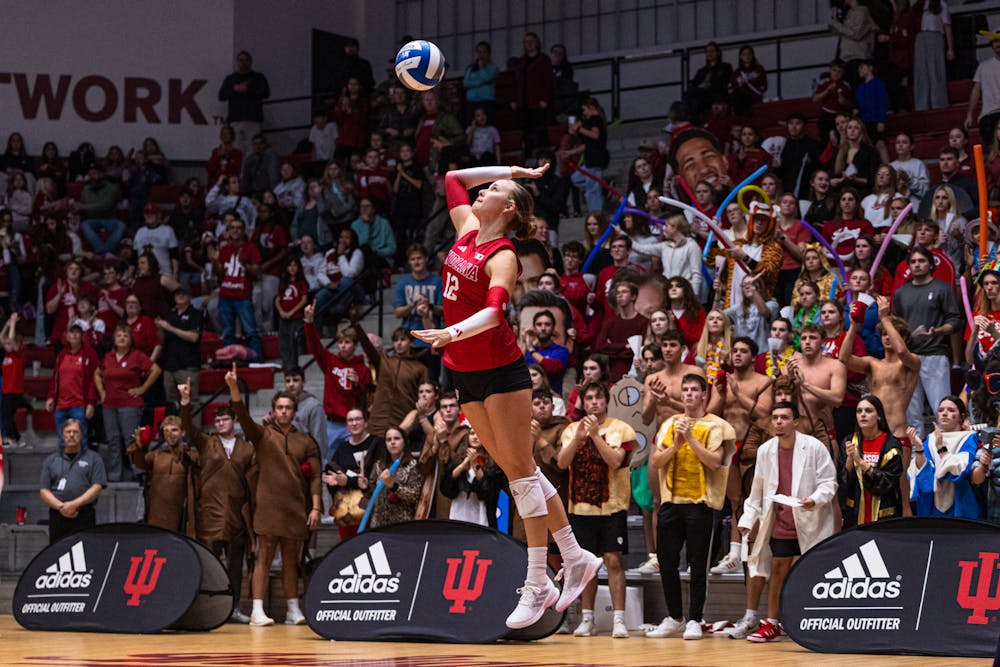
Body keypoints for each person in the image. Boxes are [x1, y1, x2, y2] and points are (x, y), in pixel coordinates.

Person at [411, 163, 600, 629]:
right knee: (524, 473)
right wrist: (515, 170)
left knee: (520, 477)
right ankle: (574, 557)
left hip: (500, 372)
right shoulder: (468, 227)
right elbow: (454, 177)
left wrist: (450, 332)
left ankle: (539, 581)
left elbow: (495, 315)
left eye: (494, 189)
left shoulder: (504, 254)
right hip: (464, 372)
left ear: (509, 208)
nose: (481, 191)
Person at [225, 365, 320, 627]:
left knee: (291, 559)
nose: (284, 412)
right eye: (279, 408)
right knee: (264, 557)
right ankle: (257, 610)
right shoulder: (263, 435)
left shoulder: (307, 441)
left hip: (296, 508)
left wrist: (315, 508)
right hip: (267, 506)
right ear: (273, 410)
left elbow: (315, 476)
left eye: (288, 408)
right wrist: (234, 389)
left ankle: (292, 609)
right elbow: (243, 417)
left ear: (295, 411)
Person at [736, 401, 838, 643]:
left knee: (815, 573)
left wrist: (814, 499)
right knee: (778, 569)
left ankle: (816, 621)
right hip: (781, 520)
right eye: (775, 417)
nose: (779, 421)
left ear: (796, 422)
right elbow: (757, 491)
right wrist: (747, 519)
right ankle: (771, 622)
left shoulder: (814, 447)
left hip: (811, 520)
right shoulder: (765, 450)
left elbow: (829, 483)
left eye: (784, 417)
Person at [646, 374, 735, 640]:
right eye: (685, 390)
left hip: (702, 505)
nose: (688, 394)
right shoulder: (669, 424)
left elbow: (715, 463)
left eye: (694, 390)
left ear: (704, 395)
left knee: (698, 565)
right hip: (672, 503)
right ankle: (675, 617)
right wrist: (676, 443)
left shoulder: (716, 426)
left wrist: (691, 440)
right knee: (667, 562)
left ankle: (695, 618)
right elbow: (658, 461)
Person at [556, 382, 636, 639]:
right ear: (583, 402)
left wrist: (593, 436)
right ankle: (587, 618)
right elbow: (561, 462)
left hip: (613, 506)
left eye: (597, 398)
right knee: (586, 566)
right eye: (588, 398)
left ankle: (619, 620)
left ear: (606, 401)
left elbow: (615, 461)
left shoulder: (621, 430)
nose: (593, 402)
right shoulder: (570, 430)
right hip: (579, 507)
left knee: (613, 561)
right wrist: (579, 436)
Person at [178, 378, 255, 623]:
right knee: (209, 564)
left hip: (237, 514)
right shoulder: (206, 443)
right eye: (217, 420)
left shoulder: (247, 448)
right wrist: (185, 402)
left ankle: (233, 609)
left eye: (225, 419)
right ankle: (208, 609)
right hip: (209, 512)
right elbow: (188, 427)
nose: (221, 423)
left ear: (234, 422)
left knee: (235, 564)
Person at [709, 337, 773, 576]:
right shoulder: (724, 381)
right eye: (734, 350)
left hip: (754, 445)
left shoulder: (764, 382)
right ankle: (735, 554)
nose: (737, 355)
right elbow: (711, 413)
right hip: (728, 444)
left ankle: (753, 549)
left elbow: (764, 413)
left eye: (743, 351)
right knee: (736, 501)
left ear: (753, 356)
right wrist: (721, 394)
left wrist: (738, 393)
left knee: (753, 501)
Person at [892, 247, 962, 439]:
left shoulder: (942, 288)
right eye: (913, 262)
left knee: (943, 409)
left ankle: (947, 451)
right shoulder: (901, 292)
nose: (917, 265)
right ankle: (916, 457)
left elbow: (955, 320)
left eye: (921, 261)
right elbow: (895, 325)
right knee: (911, 413)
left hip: (935, 353)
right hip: (908, 357)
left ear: (931, 264)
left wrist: (937, 331)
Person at [94, 324, 161, 482]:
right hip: (109, 404)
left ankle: (138, 471)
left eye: (125, 335)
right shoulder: (108, 357)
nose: (122, 338)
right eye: (119, 335)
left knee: (131, 439)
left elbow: (156, 370)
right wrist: (102, 392)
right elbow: (97, 373)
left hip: (130, 403)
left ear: (131, 339)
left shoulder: (137, 355)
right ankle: (116, 474)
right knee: (113, 439)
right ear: (114, 340)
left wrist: (142, 388)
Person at [304, 305, 372, 457]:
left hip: (354, 423)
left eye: (347, 342)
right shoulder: (330, 361)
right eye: (340, 342)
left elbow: (368, 401)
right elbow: (315, 346)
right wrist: (309, 322)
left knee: (355, 461)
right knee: (329, 462)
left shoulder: (363, 370)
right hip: (332, 423)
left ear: (355, 345)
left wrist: (357, 385)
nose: (343, 346)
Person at [907, 395, 982, 518]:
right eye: (941, 410)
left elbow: (960, 471)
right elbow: (924, 479)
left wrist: (942, 448)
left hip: (960, 505)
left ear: (962, 416)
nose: (944, 413)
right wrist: (919, 449)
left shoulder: (969, 438)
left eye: (951, 410)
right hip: (932, 507)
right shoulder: (930, 439)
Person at [39, 419, 106, 544]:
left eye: (75, 432)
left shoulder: (94, 458)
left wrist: (74, 504)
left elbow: (97, 486)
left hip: (83, 515)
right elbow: (44, 490)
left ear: (81, 435)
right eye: (68, 432)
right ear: (62, 435)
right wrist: (62, 507)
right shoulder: (51, 460)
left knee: (85, 554)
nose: (71, 435)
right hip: (58, 515)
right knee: (57, 555)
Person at [841, 394, 904, 525]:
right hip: (855, 514)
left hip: (884, 514)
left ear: (879, 415)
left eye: (868, 411)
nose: (863, 415)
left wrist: (862, 463)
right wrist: (850, 459)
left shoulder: (892, 445)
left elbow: (888, 483)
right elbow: (843, 483)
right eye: (859, 411)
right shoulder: (849, 441)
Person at [127, 416, 196, 531]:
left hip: (181, 512)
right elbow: (140, 463)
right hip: (157, 511)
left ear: (182, 432)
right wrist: (139, 445)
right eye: (166, 430)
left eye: (174, 430)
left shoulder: (190, 455)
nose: (170, 434)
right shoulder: (156, 455)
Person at [323, 408, 383, 540]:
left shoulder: (377, 443)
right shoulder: (342, 448)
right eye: (350, 420)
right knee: (348, 549)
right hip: (348, 510)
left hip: (372, 508)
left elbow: (377, 476)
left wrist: (348, 481)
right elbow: (334, 474)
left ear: (366, 423)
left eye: (358, 419)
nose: (354, 423)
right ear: (346, 425)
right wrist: (334, 482)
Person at [210, 215, 263, 360]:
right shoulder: (225, 249)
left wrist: (244, 263)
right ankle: (230, 362)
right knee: (228, 332)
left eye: (238, 228)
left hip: (243, 296)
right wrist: (215, 262)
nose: (235, 231)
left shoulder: (250, 248)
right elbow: (220, 276)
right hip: (225, 295)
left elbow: (257, 273)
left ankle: (257, 361)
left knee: (250, 331)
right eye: (232, 228)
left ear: (243, 231)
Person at [788, 323, 846, 448]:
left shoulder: (835, 366)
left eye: (813, 338)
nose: (807, 342)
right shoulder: (792, 366)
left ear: (823, 343)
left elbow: (837, 399)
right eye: (804, 338)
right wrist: (788, 378)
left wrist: (806, 385)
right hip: (796, 432)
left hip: (823, 431)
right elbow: (784, 402)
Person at [393, 243, 444, 378]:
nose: (417, 262)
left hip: (432, 338)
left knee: (431, 379)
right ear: (409, 262)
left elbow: (443, 310)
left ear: (426, 259)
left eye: (419, 258)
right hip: (410, 339)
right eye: (413, 259)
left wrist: (430, 305)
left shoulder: (437, 281)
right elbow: (398, 312)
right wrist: (412, 305)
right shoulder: (404, 283)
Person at [46, 325, 99, 450]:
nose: (74, 335)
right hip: (61, 406)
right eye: (71, 333)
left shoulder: (90, 354)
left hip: (80, 405)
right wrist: (51, 397)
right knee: (62, 442)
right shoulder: (62, 354)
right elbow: (55, 378)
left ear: (82, 336)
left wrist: (91, 403)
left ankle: (83, 469)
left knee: (81, 441)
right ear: (67, 336)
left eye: (77, 333)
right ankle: (65, 469)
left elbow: (94, 380)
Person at [363, 425, 423, 528]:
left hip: (402, 525)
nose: (392, 442)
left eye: (397, 438)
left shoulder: (412, 465)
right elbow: (372, 494)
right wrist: (365, 487)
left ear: (404, 442)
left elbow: (415, 496)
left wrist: (393, 486)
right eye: (388, 440)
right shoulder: (378, 465)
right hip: (379, 524)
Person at [593, 281, 650, 382]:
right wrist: (624, 346)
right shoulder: (610, 323)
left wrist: (613, 349)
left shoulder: (643, 322)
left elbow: (640, 350)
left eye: (624, 292)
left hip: (637, 372)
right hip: (614, 372)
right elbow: (600, 346)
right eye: (618, 293)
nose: (620, 295)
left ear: (633, 297)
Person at [155, 287, 203, 405]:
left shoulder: (195, 314)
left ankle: (194, 424)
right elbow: (161, 340)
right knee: (172, 403)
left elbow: (194, 337)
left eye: (183, 294)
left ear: (190, 297)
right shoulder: (170, 314)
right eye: (177, 294)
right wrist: (160, 329)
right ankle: (174, 424)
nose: (180, 296)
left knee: (191, 402)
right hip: (169, 366)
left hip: (187, 366)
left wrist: (170, 328)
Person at [218, 51, 270, 156]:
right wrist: (234, 90)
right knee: (236, 150)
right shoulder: (231, 79)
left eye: (246, 60)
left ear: (250, 62)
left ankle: (252, 171)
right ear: (237, 62)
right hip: (235, 119)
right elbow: (221, 95)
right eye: (241, 60)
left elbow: (266, 93)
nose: (243, 63)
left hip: (253, 119)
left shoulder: (258, 77)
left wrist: (248, 89)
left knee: (254, 149)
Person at [567, 98, 610, 214]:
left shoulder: (595, 119)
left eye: (584, 110)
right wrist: (570, 152)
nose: (583, 113)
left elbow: (595, 135)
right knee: (576, 179)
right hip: (590, 159)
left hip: (596, 159)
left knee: (592, 190)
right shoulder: (592, 121)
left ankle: (595, 214)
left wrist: (579, 129)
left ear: (591, 107)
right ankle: (604, 187)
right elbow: (588, 145)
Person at [912, 0, 954, 111]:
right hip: (920, 38)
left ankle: (938, 103)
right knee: (921, 72)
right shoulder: (918, 5)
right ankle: (922, 105)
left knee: (935, 70)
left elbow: (947, 26)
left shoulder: (941, 4)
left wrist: (950, 48)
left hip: (935, 35)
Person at [965, 30, 1000, 147]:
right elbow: (976, 90)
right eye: (995, 41)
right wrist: (970, 114)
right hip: (988, 115)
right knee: (991, 150)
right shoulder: (983, 66)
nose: (997, 44)